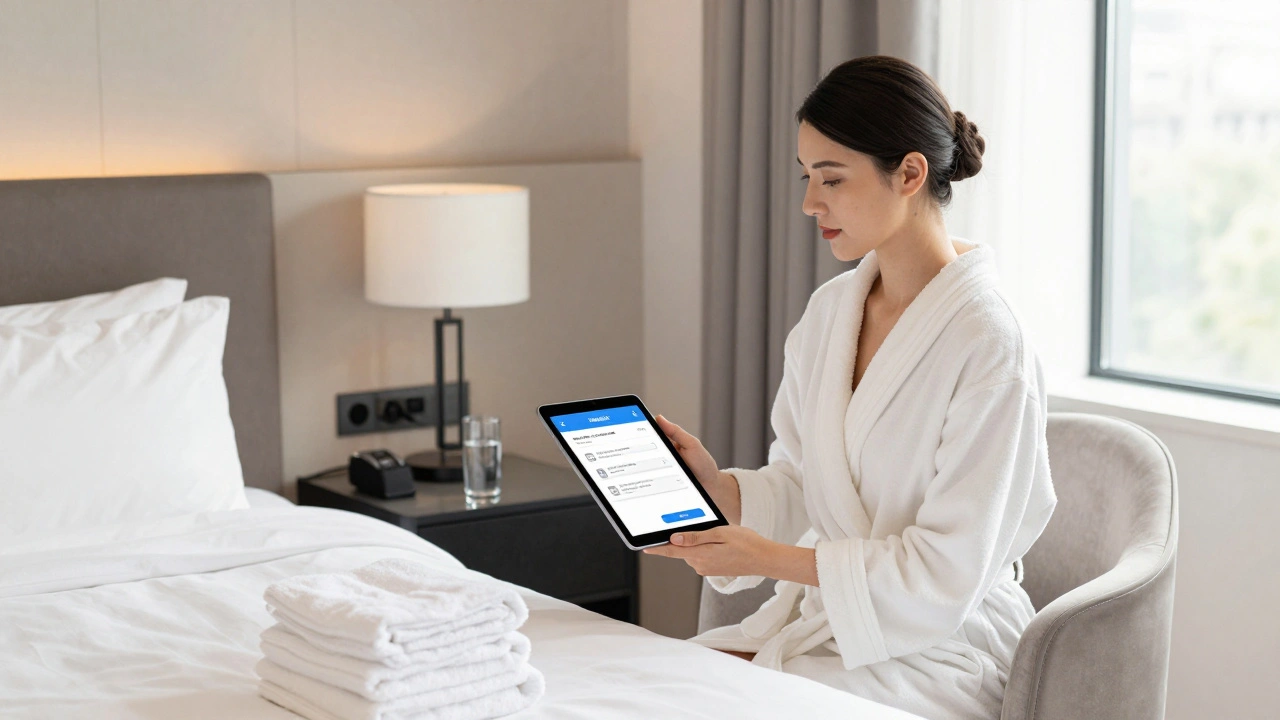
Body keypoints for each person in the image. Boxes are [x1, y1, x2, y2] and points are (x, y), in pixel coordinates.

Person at [643, 56, 1057, 720]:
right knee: (659, 691)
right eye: (808, 178)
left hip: (942, 649)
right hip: (831, 625)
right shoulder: (832, 314)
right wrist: (718, 491)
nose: (811, 203)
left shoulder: (990, 346)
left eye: (832, 179)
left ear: (911, 173)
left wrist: (773, 558)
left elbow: (944, 575)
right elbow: (810, 483)